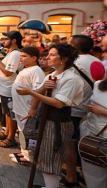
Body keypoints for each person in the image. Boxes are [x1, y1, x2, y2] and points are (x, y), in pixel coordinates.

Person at [16, 44, 83, 188]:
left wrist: (30, 92)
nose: (47, 57)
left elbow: (59, 103)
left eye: (52, 55)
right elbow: (41, 92)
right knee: (44, 157)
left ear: (64, 59)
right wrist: (34, 105)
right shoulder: (53, 74)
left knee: (51, 159)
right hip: (46, 119)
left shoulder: (71, 78)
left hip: (57, 122)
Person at [63, 35, 105, 186]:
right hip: (90, 109)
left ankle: (71, 175)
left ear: (74, 47)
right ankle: (82, 173)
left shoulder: (74, 63)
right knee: (84, 144)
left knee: (70, 143)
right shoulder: (96, 61)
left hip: (75, 108)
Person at [10, 47, 45, 165]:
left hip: (27, 107)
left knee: (28, 131)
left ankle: (29, 157)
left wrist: (33, 108)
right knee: (21, 130)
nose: (21, 58)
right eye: (20, 56)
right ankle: (23, 152)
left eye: (24, 56)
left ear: (34, 58)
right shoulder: (26, 69)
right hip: (20, 107)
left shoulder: (36, 70)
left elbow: (38, 90)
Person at [0, 31, 22, 148]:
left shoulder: (15, 54)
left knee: (10, 113)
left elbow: (8, 72)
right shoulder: (11, 53)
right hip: (4, 88)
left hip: (9, 88)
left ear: (14, 40)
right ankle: (7, 132)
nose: (3, 41)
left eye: (6, 38)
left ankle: (11, 138)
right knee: (7, 113)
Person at [80, 78, 107, 188]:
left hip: (99, 133)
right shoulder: (98, 84)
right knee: (92, 174)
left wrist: (102, 111)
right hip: (91, 132)